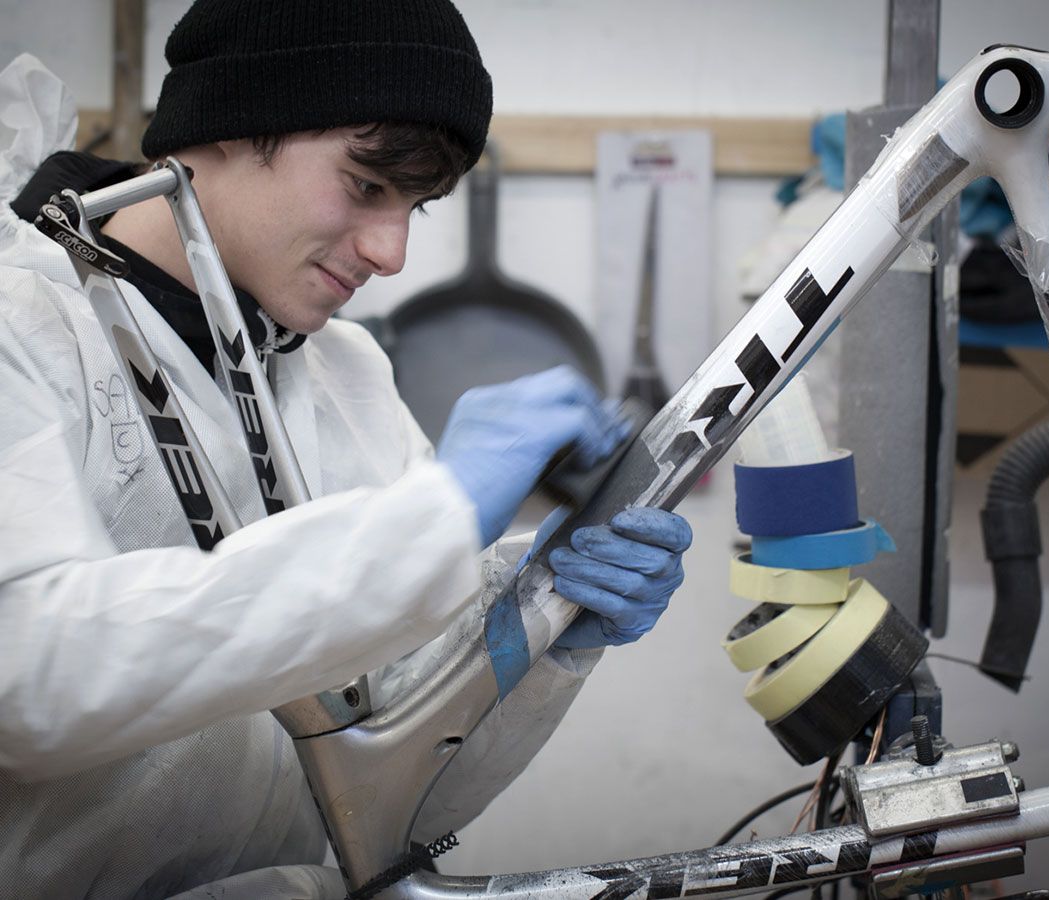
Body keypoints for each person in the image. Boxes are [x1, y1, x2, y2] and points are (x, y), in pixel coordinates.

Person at [0, 2, 692, 897]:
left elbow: (387, 801)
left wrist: (540, 626)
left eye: (416, 205)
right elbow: (31, 680)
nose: (392, 252)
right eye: (368, 185)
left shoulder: (346, 371)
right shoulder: (23, 323)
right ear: (227, 124)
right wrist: (433, 519)